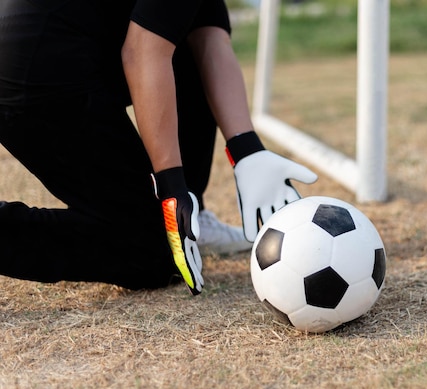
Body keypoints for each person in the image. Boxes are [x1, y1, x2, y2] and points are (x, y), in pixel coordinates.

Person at [0, 0, 317, 294]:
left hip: (60, 50)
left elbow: (208, 40)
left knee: (184, 45)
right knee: (150, 255)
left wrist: (248, 151)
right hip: (35, 70)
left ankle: (194, 218)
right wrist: (172, 191)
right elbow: (142, 52)